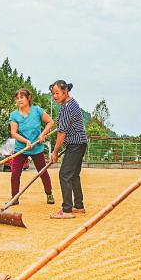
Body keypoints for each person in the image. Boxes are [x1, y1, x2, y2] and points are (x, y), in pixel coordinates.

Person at [49, 80, 88, 219]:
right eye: (53, 93)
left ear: (65, 92)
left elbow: (62, 133)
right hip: (80, 142)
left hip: (75, 143)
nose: (54, 96)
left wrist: (54, 152)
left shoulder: (67, 108)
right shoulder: (71, 103)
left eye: (57, 93)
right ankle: (79, 206)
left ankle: (66, 210)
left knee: (64, 174)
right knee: (73, 175)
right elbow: (63, 127)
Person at [8, 88, 55, 205]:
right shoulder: (14, 115)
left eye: (22, 97)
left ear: (28, 98)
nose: (19, 100)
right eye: (17, 98)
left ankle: (49, 194)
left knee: (42, 172)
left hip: (37, 147)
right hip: (21, 148)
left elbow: (50, 122)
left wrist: (42, 134)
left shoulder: (37, 110)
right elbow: (13, 133)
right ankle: (15, 198)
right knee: (15, 174)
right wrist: (25, 141)